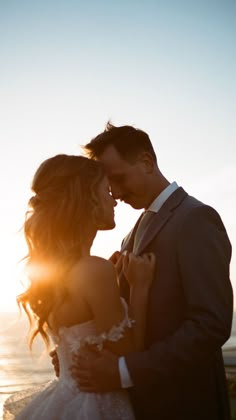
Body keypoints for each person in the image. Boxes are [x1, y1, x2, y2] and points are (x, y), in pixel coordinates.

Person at [65, 122, 233, 420]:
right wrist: (80, 351)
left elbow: (211, 324)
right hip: (141, 405)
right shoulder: (131, 233)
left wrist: (124, 371)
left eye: (118, 178)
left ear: (146, 162)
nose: (114, 193)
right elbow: (119, 318)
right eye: (109, 184)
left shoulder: (196, 219)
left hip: (186, 403)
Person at [3, 154, 156, 420]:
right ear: (87, 201)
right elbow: (130, 354)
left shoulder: (58, 273)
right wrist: (140, 288)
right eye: (106, 191)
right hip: (96, 405)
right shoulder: (95, 270)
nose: (114, 199)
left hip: (65, 399)